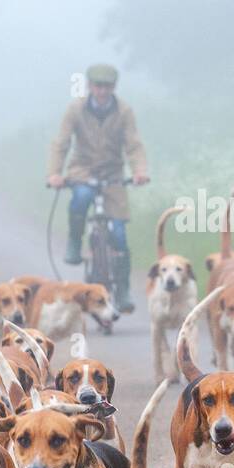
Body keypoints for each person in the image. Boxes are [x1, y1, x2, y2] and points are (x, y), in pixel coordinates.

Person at [46, 64, 149, 313]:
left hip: (113, 174)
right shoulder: (76, 109)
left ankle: (122, 289)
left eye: (107, 86)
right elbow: (61, 143)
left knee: (120, 234)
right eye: (97, 86)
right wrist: (55, 173)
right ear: (90, 86)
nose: (102, 91)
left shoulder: (124, 111)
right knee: (80, 198)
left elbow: (133, 144)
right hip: (82, 170)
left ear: (113, 87)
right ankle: (74, 241)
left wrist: (139, 171)